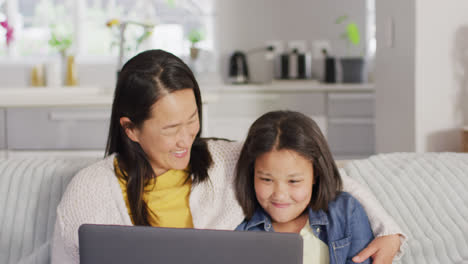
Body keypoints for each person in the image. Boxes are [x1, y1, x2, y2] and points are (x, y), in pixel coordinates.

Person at [52, 49, 404, 264]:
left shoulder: (225, 159)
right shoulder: (89, 190)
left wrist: (389, 231)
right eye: (171, 128)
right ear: (131, 129)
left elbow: (320, 176)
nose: (186, 138)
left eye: (193, 120)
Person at [235, 110, 375, 264]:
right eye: (266, 179)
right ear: (251, 174)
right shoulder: (240, 228)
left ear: (315, 174)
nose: (280, 195)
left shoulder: (346, 212)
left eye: (293, 181)